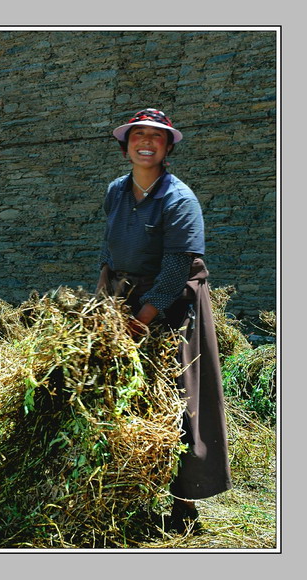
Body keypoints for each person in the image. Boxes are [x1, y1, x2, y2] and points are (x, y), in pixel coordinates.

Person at [96, 108, 232, 534]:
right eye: (138, 135)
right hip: (122, 298)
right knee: (118, 394)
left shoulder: (179, 198)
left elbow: (177, 269)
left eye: (157, 137)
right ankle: (128, 491)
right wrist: (105, 306)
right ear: (126, 146)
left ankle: (184, 504)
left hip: (172, 306)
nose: (146, 143)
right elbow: (109, 250)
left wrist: (143, 318)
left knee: (178, 396)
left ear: (168, 146)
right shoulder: (117, 191)